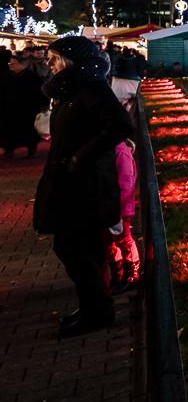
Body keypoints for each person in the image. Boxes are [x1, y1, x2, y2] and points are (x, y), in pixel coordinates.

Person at [33, 36, 134, 338]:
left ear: (71, 60)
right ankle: (93, 306)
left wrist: (81, 155)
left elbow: (120, 126)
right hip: (72, 181)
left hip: (86, 185)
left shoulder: (91, 88)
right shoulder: (72, 90)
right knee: (82, 249)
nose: (48, 63)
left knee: (74, 247)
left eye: (54, 57)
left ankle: (98, 310)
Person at [3, 51, 49, 158]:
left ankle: (31, 150)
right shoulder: (7, 76)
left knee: (28, 132)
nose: (10, 65)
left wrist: (43, 107)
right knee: (10, 130)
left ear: (22, 64)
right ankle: (9, 149)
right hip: (10, 109)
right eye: (10, 63)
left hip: (28, 110)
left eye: (13, 63)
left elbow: (41, 94)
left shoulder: (33, 78)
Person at [108, 138, 140, 293]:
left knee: (124, 239)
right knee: (110, 242)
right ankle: (118, 274)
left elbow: (125, 184)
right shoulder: (113, 150)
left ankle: (132, 275)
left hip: (119, 206)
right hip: (110, 205)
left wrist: (118, 207)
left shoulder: (120, 152)